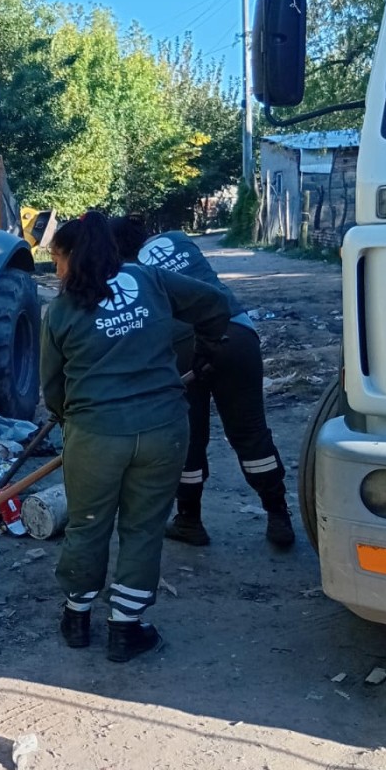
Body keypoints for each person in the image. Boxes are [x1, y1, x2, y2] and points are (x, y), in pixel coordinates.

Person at [41, 211, 230, 662]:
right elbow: (215, 303)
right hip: (163, 428)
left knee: (87, 524)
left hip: (96, 435)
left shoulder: (60, 311)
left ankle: (76, 618)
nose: (55, 269)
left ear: (73, 256)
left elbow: (52, 388)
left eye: (57, 259)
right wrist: (206, 349)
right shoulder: (150, 280)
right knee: (143, 527)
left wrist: (74, 420)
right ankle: (126, 629)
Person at [111, 216, 296, 548]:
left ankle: (189, 520)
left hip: (184, 349)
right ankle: (278, 515)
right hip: (238, 335)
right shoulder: (178, 237)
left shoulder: (129, 272)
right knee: (251, 432)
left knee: (189, 438)